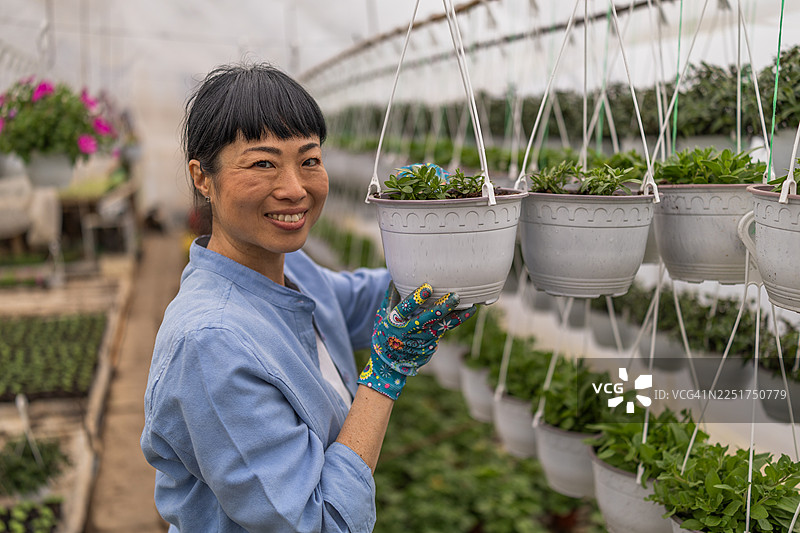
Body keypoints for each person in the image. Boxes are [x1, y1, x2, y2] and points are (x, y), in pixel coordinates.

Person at [140, 62, 476, 533]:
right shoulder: (210, 343)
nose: (295, 189)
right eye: (263, 163)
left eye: (309, 160)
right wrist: (383, 376)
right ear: (202, 178)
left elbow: (368, 301)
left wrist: (442, 229)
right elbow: (320, 523)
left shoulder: (290, 270)